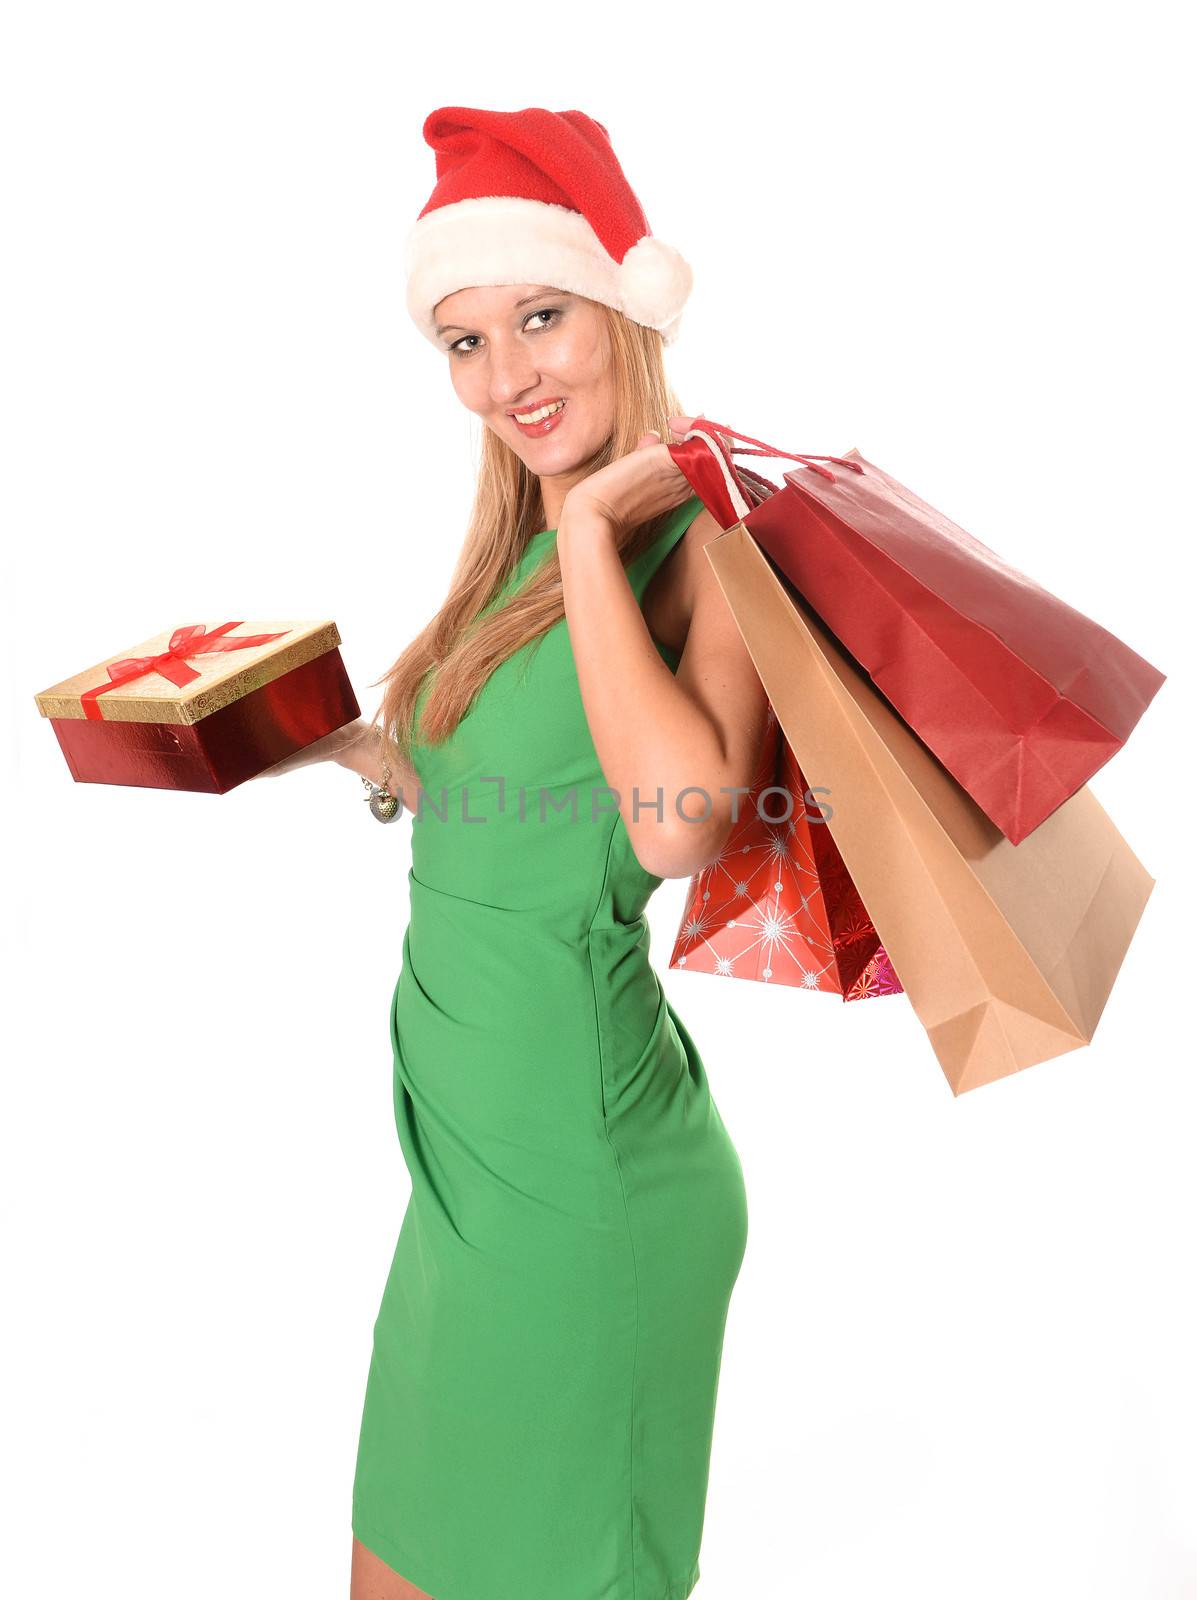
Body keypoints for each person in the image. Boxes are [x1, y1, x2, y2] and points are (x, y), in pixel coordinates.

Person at [263, 106, 769, 1600]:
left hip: (586, 1179)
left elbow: (675, 829)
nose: (505, 377)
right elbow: (525, 783)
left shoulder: (705, 546)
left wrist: (606, 535)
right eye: (466, 343)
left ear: (619, 308)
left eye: (540, 317)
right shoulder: (520, 545)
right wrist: (355, 751)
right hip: (464, 1168)